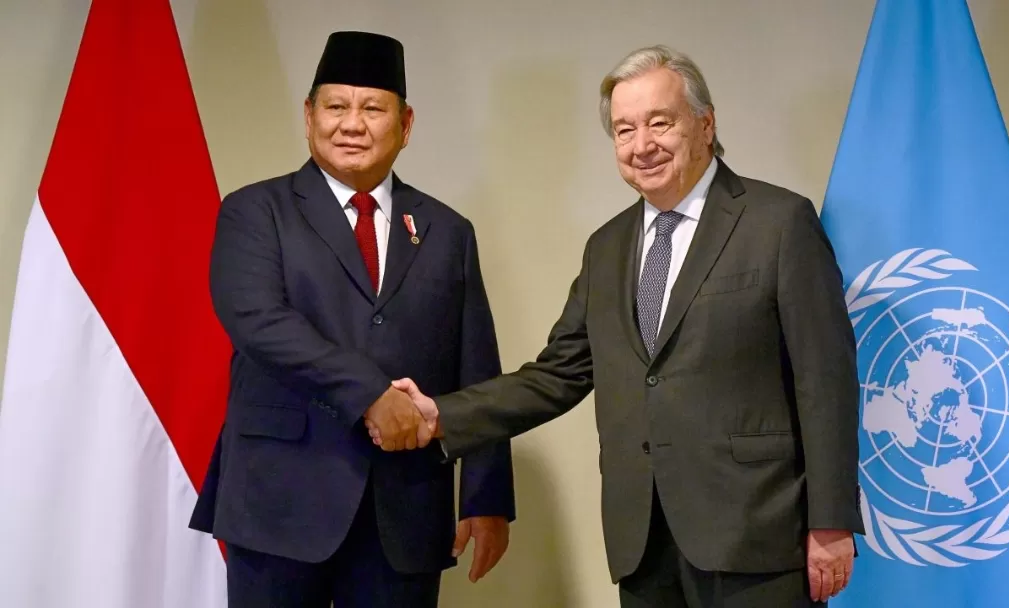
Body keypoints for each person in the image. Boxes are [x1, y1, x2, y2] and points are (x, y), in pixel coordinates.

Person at [368, 44, 863, 607]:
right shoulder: (607, 248)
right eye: (624, 130)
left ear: (705, 124)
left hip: (756, 535)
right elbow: (555, 375)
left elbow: (826, 381)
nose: (642, 145)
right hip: (642, 541)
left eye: (660, 122)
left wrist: (831, 522)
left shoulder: (779, 222)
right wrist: (442, 414)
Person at [188, 31, 515, 607]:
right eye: (335, 106)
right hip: (280, 503)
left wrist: (486, 496)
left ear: (406, 123)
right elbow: (258, 320)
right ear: (309, 115)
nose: (351, 124)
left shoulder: (447, 231)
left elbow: (477, 365)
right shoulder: (255, 211)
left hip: (406, 506)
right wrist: (371, 394)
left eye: (372, 109)